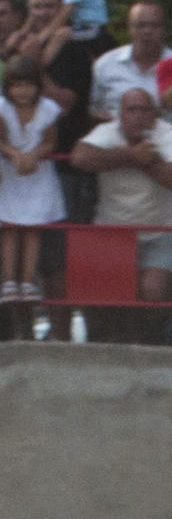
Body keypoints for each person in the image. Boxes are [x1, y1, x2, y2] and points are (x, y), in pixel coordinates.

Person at [71, 86, 172, 342]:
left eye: (144, 110)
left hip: (159, 232)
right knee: (100, 302)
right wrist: (131, 155)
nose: (138, 115)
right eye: (132, 109)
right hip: (111, 231)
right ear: (121, 114)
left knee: (152, 292)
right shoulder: (106, 131)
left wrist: (145, 162)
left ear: (154, 113)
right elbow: (79, 158)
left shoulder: (169, 133)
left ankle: (152, 342)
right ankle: (117, 345)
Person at [0, 65, 62, 326]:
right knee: (10, 228)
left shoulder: (49, 109)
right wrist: (16, 155)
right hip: (9, 173)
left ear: (37, 86)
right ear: (8, 87)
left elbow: (50, 142)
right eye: (17, 85)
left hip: (39, 174)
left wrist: (34, 156)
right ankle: (8, 282)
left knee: (33, 228)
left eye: (28, 85)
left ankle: (27, 282)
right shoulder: (2, 108)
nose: (22, 91)